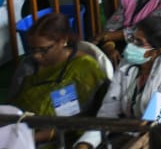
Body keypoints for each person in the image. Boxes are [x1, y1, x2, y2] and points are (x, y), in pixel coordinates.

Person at [75, 17, 161, 149]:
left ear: (156, 51)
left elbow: (160, 124)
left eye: (139, 43)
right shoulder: (127, 63)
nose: (131, 45)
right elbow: (108, 112)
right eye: (132, 39)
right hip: (130, 133)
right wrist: (85, 143)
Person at [10, 14, 106, 144]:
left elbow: (84, 119)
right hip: (19, 130)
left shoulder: (84, 68)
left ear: (63, 40)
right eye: (33, 49)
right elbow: (13, 104)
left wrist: (31, 138)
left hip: (62, 139)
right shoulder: (28, 65)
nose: (37, 56)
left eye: (44, 50)